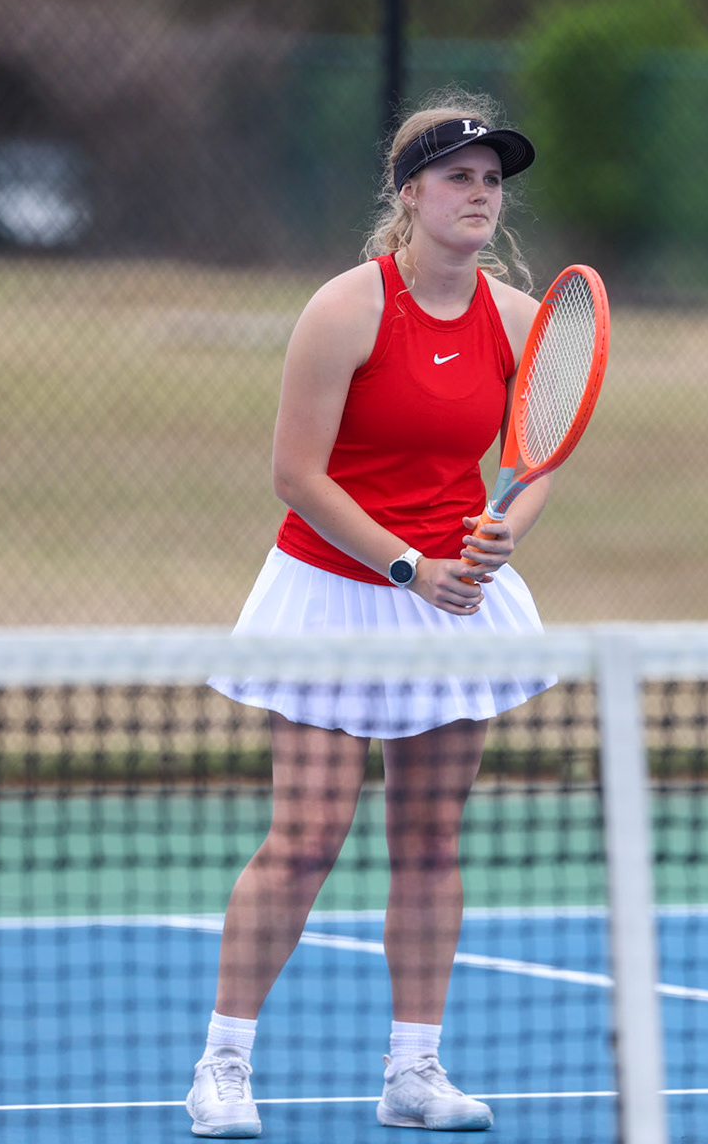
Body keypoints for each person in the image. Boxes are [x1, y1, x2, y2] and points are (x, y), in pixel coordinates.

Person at [186, 93, 553, 1138]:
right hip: (335, 594)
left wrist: (502, 529)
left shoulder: (520, 321)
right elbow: (296, 473)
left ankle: (415, 1069)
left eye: (492, 179)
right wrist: (406, 564)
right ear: (411, 193)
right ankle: (222, 1063)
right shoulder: (345, 310)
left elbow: (535, 465)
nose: (480, 193)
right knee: (305, 836)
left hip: (456, 601)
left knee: (431, 839)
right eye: (458, 177)